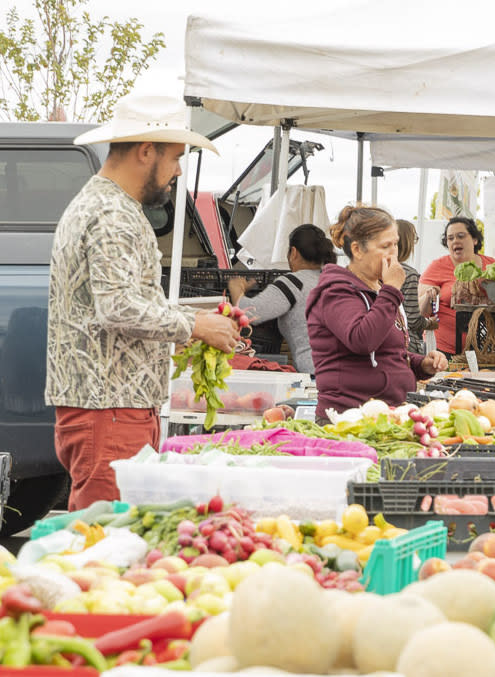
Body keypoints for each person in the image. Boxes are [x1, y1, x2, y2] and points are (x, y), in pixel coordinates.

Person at [45, 95, 241, 511]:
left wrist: (190, 322)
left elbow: (125, 303)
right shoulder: (111, 213)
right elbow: (117, 307)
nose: (177, 171)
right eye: (175, 158)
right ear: (145, 151)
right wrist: (195, 326)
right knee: (105, 538)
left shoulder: (108, 205)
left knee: (114, 531)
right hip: (109, 409)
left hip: (113, 406)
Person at [306, 205, 447, 418]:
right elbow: (363, 340)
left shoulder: (378, 290)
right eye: (385, 246)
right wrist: (391, 290)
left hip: (387, 415)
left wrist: (421, 364)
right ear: (357, 250)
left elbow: (387, 351)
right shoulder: (335, 292)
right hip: (348, 419)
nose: (393, 253)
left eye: (395, 244)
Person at [227, 224, 336, 374]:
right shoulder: (333, 279)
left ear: (293, 252)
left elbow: (250, 314)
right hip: (344, 369)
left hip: (317, 371)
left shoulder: (293, 283)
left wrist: (237, 290)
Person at [418, 217, 495, 354]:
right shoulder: (437, 267)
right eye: (450, 238)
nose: (455, 241)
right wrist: (428, 296)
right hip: (443, 349)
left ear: (475, 240)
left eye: (461, 236)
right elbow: (421, 311)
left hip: (486, 351)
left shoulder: (493, 266)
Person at [396, 219, 437, 354]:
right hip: (407, 346)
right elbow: (412, 320)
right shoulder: (409, 274)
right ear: (407, 243)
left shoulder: (377, 271)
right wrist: (430, 323)